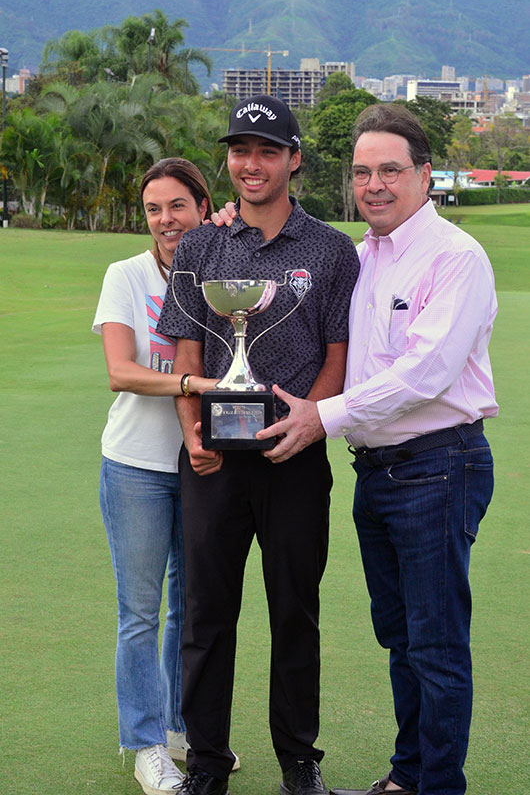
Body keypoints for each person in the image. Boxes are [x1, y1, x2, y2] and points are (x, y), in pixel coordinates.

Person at [254, 103, 498, 795]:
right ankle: (409, 774)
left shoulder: (455, 257)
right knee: (400, 637)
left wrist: (322, 417)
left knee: (437, 645)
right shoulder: (357, 257)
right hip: (378, 472)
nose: (375, 183)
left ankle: (439, 785)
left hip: (438, 465)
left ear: (426, 175)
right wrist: (228, 228)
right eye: (362, 171)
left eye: (391, 169)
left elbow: (425, 373)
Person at [156, 95, 359, 795]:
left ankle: (299, 764)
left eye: (267, 151)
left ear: (293, 160)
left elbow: (338, 351)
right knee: (207, 614)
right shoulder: (202, 244)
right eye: (240, 150)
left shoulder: (331, 249)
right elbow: (186, 340)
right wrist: (190, 429)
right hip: (212, 457)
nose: (250, 164)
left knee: (294, 612)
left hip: (295, 457)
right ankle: (207, 765)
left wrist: (312, 416)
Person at [93, 157, 230, 795]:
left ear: (203, 206)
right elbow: (121, 370)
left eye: (179, 205)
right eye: (154, 208)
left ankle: (179, 727)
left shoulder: (224, 267)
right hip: (137, 466)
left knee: (192, 608)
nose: (166, 220)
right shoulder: (126, 275)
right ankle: (146, 743)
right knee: (140, 612)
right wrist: (188, 382)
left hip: (205, 462)